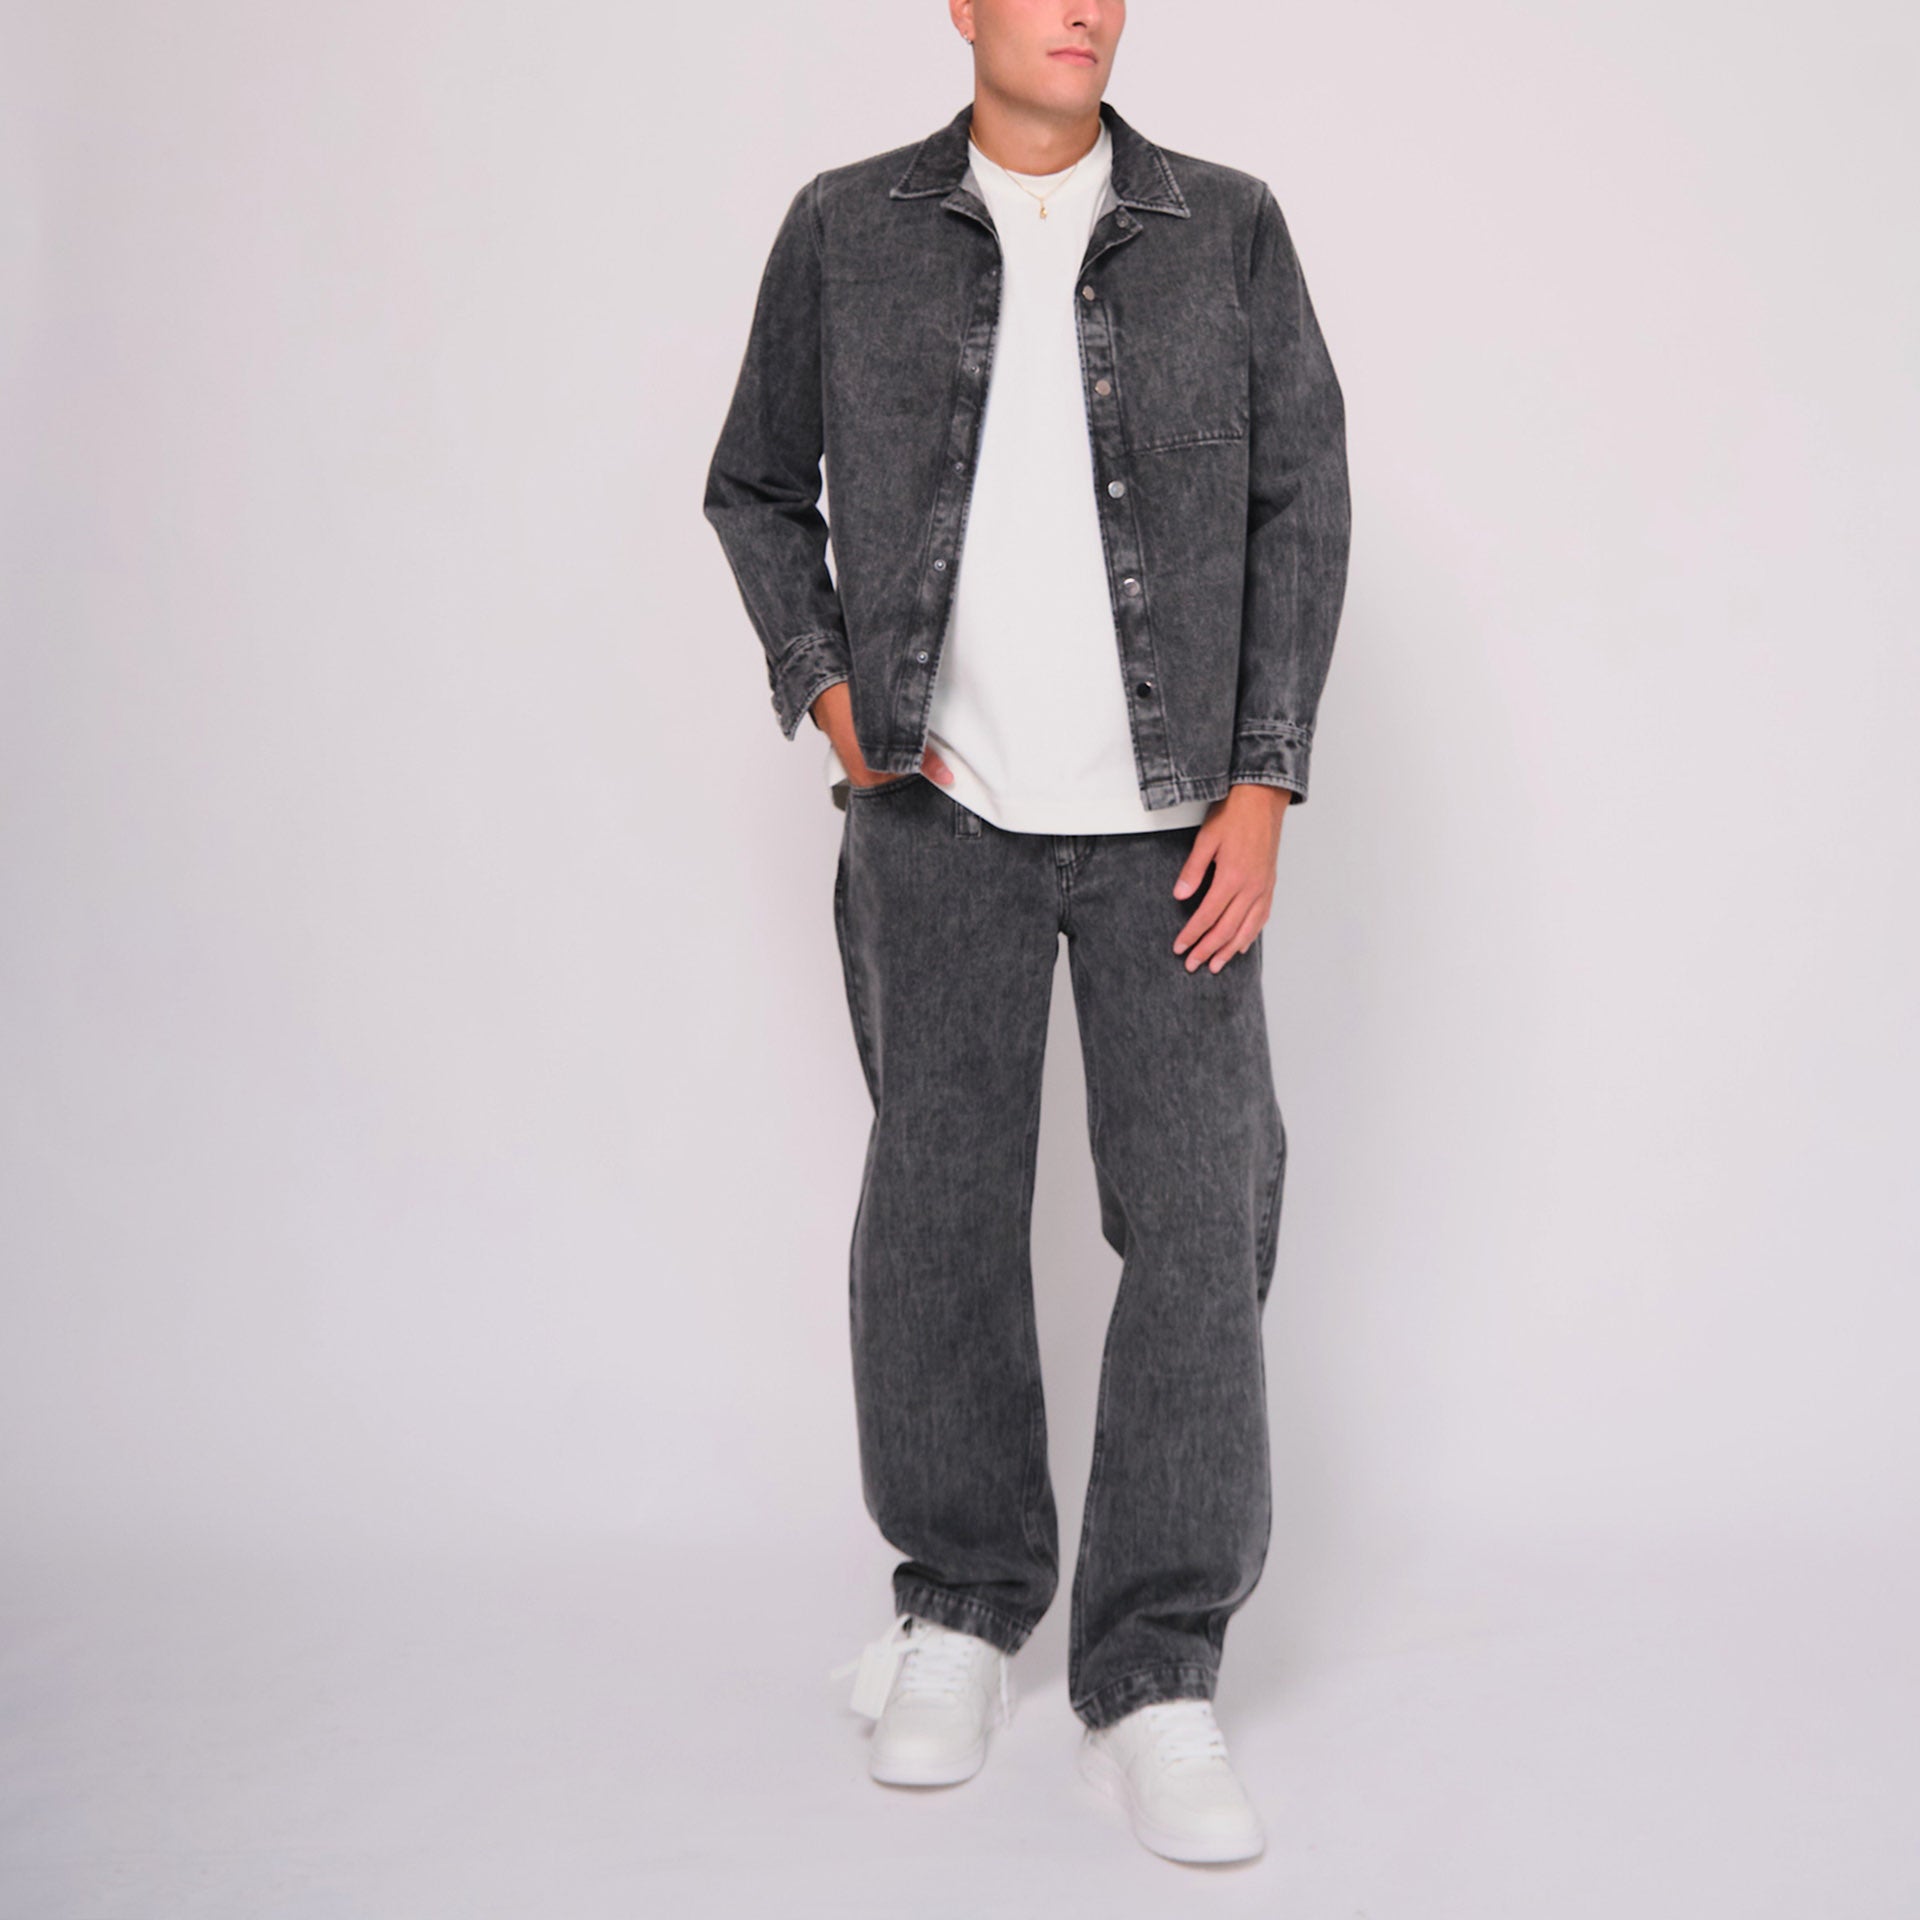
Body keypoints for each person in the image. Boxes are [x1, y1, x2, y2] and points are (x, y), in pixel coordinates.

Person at [702, 0, 1349, 1867]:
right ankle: (962, 1608)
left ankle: (1153, 1670)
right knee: (941, 1212)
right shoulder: (848, 227)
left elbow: (1301, 501)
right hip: (939, 817)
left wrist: (1264, 780)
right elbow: (756, 484)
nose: (1082, 7)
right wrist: (833, 695)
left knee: (1201, 1216)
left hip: (1177, 835)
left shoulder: (1228, 227)